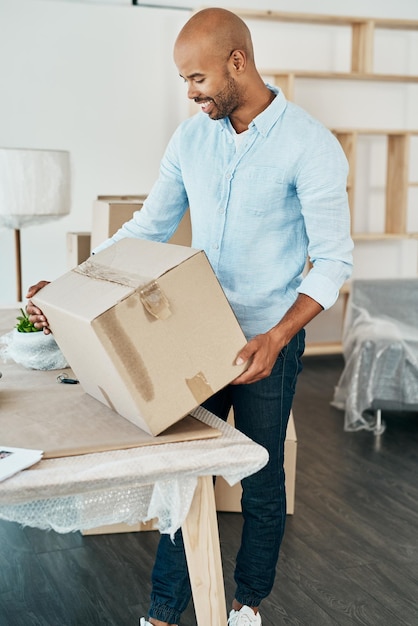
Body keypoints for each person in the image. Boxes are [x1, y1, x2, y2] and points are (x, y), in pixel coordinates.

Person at [27, 7, 353, 626]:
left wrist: (279, 336)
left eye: (197, 78)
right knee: (182, 476)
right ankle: (162, 612)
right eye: (184, 81)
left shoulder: (310, 145)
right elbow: (147, 227)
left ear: (238, 61)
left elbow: (334, 261)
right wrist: (70, 286)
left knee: (258, 483)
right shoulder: (191, 139)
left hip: (265, 342)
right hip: (191, 336)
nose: (191, 93)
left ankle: (246, 603)